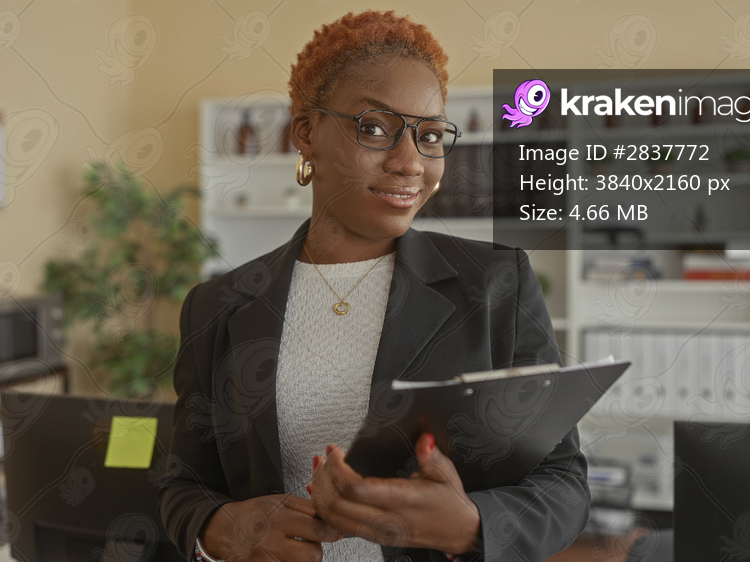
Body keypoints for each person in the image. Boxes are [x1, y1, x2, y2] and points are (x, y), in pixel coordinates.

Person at [158, 10, 589, 562]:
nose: (410, 163)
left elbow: (563, 482)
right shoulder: (217, 306)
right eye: (375, 128)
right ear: (306, 134)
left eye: (429, 135)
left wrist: (473, 526)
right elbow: (183, 483)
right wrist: (220, 530)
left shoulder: (495, 285)